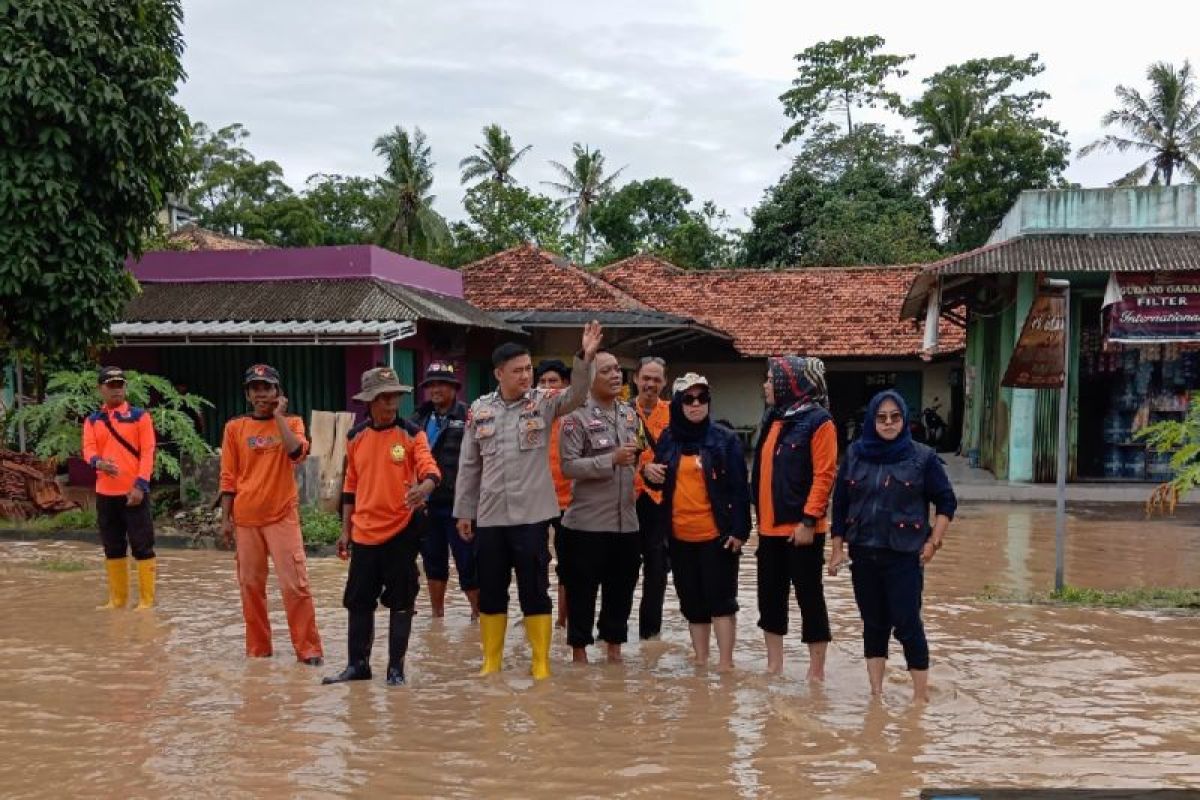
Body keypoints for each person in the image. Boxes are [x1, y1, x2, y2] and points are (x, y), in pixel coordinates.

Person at [454, 322, 603, 679]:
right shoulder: (479, 409)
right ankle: (491, 661)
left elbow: (578, 395)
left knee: (535, 588)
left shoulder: (544, 402)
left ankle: (540, 662)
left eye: (528, 369)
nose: (526, 376)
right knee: (491, 589)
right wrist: (464, 511)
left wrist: (585, 356)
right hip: (490, 516)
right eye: (518, 370)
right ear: (499, 373)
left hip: (532, 516)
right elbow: (469, 464)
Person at [828, 390, 957, 703]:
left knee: (907, 623)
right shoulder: (856, 454)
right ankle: (876, 695)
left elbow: (946, 501)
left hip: (904, 556)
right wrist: (836, 549)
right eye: (881, 418)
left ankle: (919, 698)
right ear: (872, 420)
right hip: (863, 553)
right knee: (873, 625)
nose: (888, 423)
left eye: (895, 417)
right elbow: (841, 504)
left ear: (904, 420)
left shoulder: (922, 458)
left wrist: (933, 542)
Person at [323, 367, 441, 687]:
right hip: (363, 532)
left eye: (395, 398)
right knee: (359, 601)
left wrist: (425, 487)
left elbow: (430, 469)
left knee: (402, 601)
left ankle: (396, 669)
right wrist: (345, 530)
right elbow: (350, 486)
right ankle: (357, 665)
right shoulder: (355, 437)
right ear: (370, 402)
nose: (391, 405)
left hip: (402, 530)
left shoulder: (412, 433)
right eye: (384, 398)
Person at [642, 373, 749, 670]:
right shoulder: (669, 439)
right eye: (688, 399)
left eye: (702, 398)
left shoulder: (724, 439)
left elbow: (741, 488)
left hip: (717, 536)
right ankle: (701, 663)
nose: (696, 404)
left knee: (722, 603)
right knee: (693, 605)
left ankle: (726, 665)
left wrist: (741, 531)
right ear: (678, 404)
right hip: (679, 538)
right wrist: (647, 473)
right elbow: (658, 483)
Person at [219, 364, 323, 665]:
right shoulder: (234, 428)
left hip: (282, 516)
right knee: (250, 586)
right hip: (246, 519)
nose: (261, 393)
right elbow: (228, 477)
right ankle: (258, 649)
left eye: (267, 387)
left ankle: (309, 649)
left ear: (278, 392)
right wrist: (225, 520)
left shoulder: (293, 423)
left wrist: (278, 417)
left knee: (295, 584)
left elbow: (296, 454)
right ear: (248, 394)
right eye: (255, 388)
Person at [752, 356, 837, 679]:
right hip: (769, 528)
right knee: (769, 599)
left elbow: (824, 475)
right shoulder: (774, 417)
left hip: (801, 529)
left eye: (771, 380)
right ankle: (774, 667)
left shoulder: (819, 421)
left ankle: (816, 673)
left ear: (792, 384)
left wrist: (808, 521)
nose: (766, 386)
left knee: (809, 598)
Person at [558, 351, 642, 664]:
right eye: (606, 370)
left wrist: (646, 471)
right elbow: (568, 466)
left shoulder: (629, 414)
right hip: (586, 527)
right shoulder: (575, 417)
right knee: (582, 594)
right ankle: (579, 657)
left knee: (621, 592)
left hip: (626, 523)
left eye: (618, 369)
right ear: (590, 378)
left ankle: (614, 655)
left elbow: (637, 458)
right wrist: (609, 460)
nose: (615, 375)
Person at [82, 366, 157, 610]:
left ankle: (146, 600)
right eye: (110, 385)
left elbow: (147, 453)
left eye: (120, 384)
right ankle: (118, 600)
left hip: (133, 493)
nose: (116, 389)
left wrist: (140, 485)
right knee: (112, 546)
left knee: (142, 545)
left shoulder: (139, 417)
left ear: (125, 388)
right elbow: (88, 450)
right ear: (100, 389)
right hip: (105, 493)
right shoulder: (93, 421)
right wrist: (98, 463)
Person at [410, 361, 478, 619]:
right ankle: (437, 616)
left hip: (460, 505)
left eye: (442, 384)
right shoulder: (418, 418)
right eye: (431, 385)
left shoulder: (469, 416)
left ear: (454, 388)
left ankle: (477, 615)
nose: (435, 389)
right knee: (433, 562)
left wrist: (471, 505)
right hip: (428, 505)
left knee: (468, 561)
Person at [631, 355, 671, 640]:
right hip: (627, 500)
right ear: (635, 379)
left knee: (657, 570)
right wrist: (642, 469)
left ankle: (650, 633)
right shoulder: (620, 412)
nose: (650, 384)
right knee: (621, 568)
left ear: (665, 383)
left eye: (656, 379)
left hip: (660, 502)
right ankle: (612, 628)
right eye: (646, 378)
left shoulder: (674, 414)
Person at [534, 359, 574, 629]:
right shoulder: (531, 414)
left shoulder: (577, 414)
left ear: (566, 385)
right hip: (536, 499)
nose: (548, 387)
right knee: (535, 562)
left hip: (571, 500)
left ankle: (563, 620)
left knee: (568, 565)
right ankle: (540, 615)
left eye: (554, 382)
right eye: (543, 382)